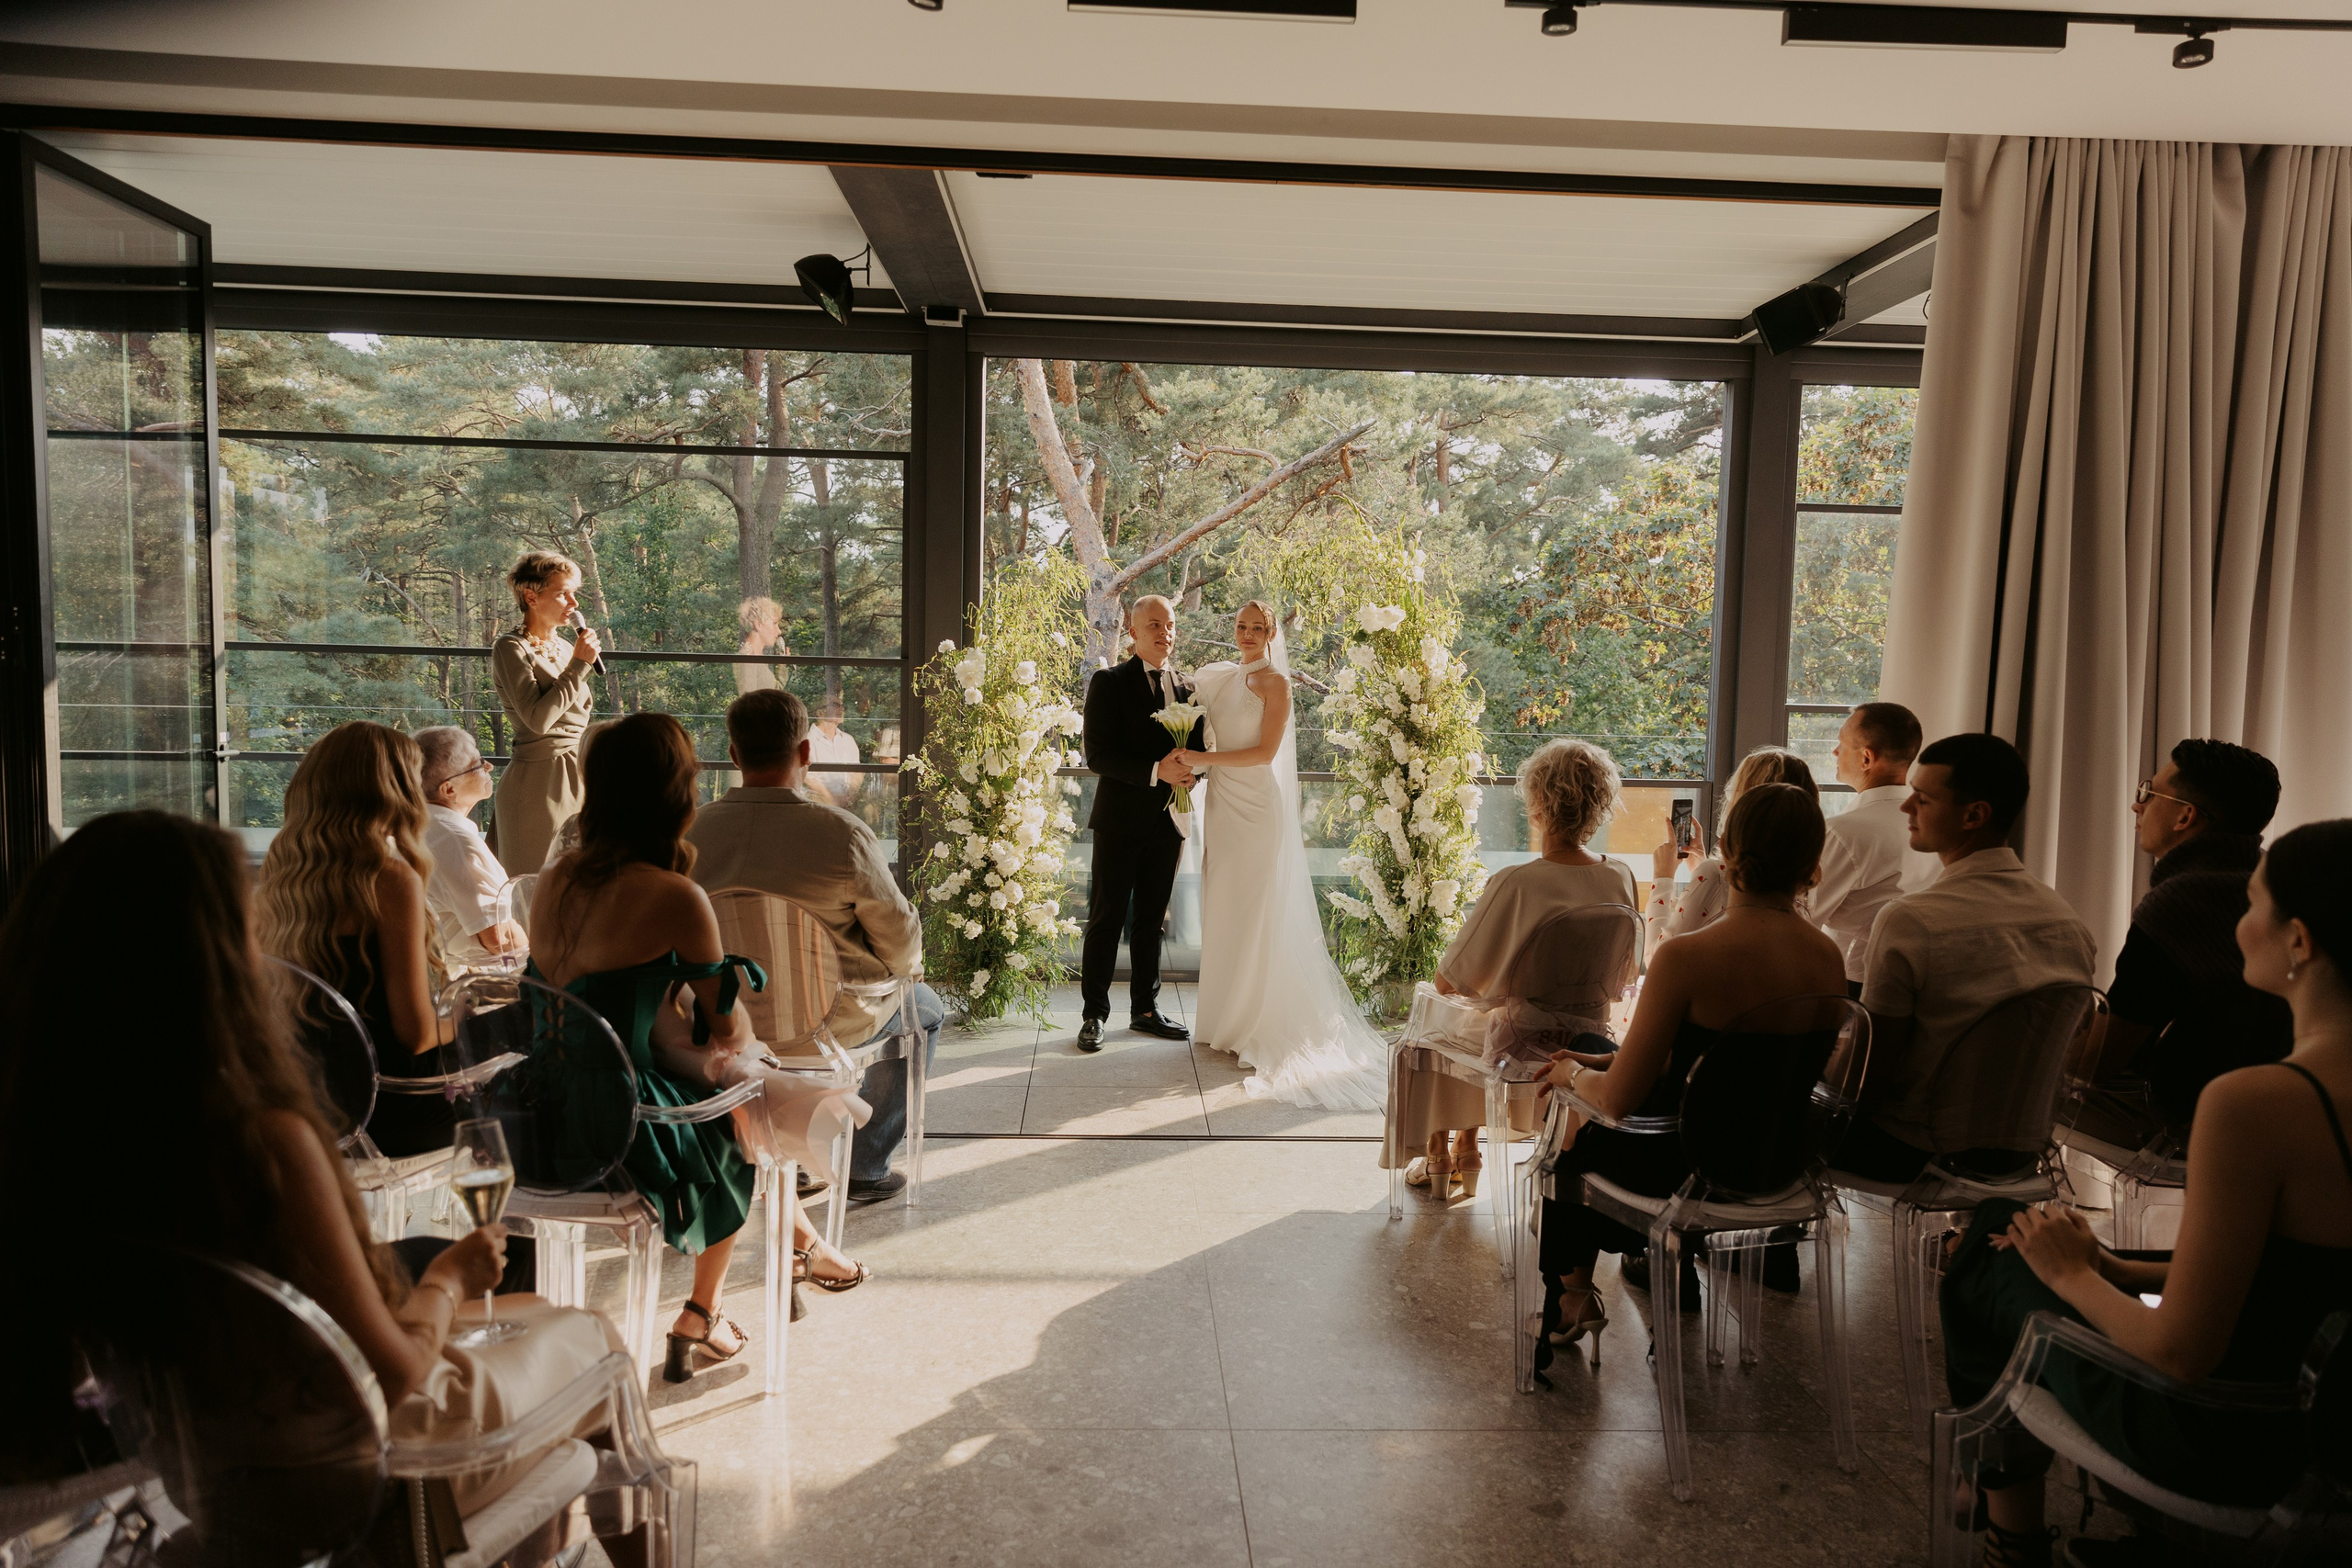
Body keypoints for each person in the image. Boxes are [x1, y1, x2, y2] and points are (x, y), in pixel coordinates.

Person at [0, 811, 634, 1539]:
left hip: (212, 1474)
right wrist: (447, 1280)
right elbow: (390, 1374)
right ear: (209, 960)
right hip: (364, 1477)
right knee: (593, 1340)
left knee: (531, 1323)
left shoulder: (47, 1137)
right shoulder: (260, 1140)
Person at [1938, 821, 2352, 1568]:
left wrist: (2068, 1273)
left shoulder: (2258, 1103)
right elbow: (2314, 1273)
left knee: (1992, 1246)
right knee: (2016, 1233)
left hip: (2228, 1436)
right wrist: (2130, 1272)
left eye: (2252, 904)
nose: (2235, 925)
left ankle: (2008, 1519)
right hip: (2328, 1424)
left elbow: (2182, 1351)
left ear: (2299, 941)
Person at [530, 712, 867, 1382]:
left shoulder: (557, 876)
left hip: (536, 1103)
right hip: (617, 1123)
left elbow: (594, 996)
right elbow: (725, 1027)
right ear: (676, 791)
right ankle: (701, 1312)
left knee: (733, 1094)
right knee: (739, 1116)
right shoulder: (676, 895)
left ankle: (799, 1251)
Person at [1529, 784, 1847, 1366]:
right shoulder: (1826, 957)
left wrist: (1573, 1077)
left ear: (1724, 848)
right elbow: (1741, 1063)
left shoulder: (1688, 957)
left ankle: (1572, 1296)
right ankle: (1601, 1288)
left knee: (1573, 1141)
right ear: (1812, 860)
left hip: (1682, 1164)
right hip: (1777, 1160)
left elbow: (1620, 1102)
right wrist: (1595, 1060)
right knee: (1592, 1049)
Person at [687, 688, 943, 1204]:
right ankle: (864, 1166)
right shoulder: (841, 835)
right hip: (825, 1026)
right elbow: (899, 942)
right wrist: (902, 972)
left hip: (723, 1025)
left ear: (734, 755)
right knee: (926, 1007)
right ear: (805, 753)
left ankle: (787, 1154)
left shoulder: (691, 832)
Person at [1832, 732, 2098, 1183]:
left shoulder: (1911, 920)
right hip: (2024, 1154)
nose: (1905, 808)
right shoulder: (2068, 922)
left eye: (1923, 799)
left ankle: (1752, 1249)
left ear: (1974, 815)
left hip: (1913, 1154)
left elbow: (1870, 1077)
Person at [1390, 738, 1640, 1200]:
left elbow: (1453, 979)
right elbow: (1623, 973)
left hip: (1522, 1047)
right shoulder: (1620, 876)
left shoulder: (1518, 882)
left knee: (1427, 1017)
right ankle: (1465, 1147)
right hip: (1591, 1035)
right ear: (1598, 804)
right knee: (1477, 1016)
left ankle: (1438, 1154)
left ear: (1539, 804)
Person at [1176, 601, 1388, 1110]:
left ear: (1272, 633)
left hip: (1256, 806)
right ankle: (1223, 1021)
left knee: (1255, 910)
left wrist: (1203, 760)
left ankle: (1254, 1019)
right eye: (1241, 626)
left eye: (1256, 628)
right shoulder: (1216, 677)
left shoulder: (1276, 684)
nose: (1247, 634)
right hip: (1221, 806)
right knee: (1225, 907)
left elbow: (1264, 753)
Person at [257, 722, 458, 1160]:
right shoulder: (388, 879)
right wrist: (471, 1013)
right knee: (528, 1060)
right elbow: (418, 1035)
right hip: (392, 1106)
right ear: (393, 791)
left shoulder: (280, 879)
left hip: (315, 1101)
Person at [2086, 739, 2293, 1138]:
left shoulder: (2179, 905)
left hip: (2189, 1122)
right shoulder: (2279, 893)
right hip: (2281, 1110)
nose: (2137, 805)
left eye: (2148, 792)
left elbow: (2093, 1066)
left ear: (2185, 817)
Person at [1077, 594, 1201, 1052]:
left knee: (1153, 921)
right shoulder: (1108, 682)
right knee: (1106, 919)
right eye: (1153, 624)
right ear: (1133, 631)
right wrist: (1156, 771)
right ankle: (1093, 1014)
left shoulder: (1188, 688)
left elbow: (1201, 750)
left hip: (1170, 822)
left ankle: (1145, 1011)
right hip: (1118, 821)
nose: (1163, 632)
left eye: (1169, 624)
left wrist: (1192, 773)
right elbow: (1098, 755)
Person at [492, 550, 601, 874]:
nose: (574, 602)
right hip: (539, 784)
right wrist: (580, 664)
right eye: (562, 593)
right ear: (531, 596)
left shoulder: (567, 647)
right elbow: (538, 720)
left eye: (575, 593)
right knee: (537, 887)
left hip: (578, 775)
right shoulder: (511, 648)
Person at [1647, 746, 1817, 946]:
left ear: (1745, 804)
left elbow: (1658, 955)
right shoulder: (1805, 878)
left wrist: (1663, 878)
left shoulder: (1715, 874)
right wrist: (1700, 870)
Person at [1810, 702, 1922, 996]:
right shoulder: (1931, 823)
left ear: (1866, 758)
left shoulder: (1843, 832)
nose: (1835, 752)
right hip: (1923, 979)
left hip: (1853, 987)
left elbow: (1802, 917)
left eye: (1841, 744)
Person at [414, 725, 525, 966]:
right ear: (449, 789)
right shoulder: (457, 843)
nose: (489, 767)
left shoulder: (416, 829)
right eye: (478, 763)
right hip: (473, 985)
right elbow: (500, 939)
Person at [807, 699, 863, 809]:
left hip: (848, 806)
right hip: (818, 806)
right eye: (835, 705)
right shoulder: (807, 740)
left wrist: (850, 796)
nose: (841, 709)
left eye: (842, 705)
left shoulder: (848, 740)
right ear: (819, 712)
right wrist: (831, 799)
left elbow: (857, 771)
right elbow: (806, 777)